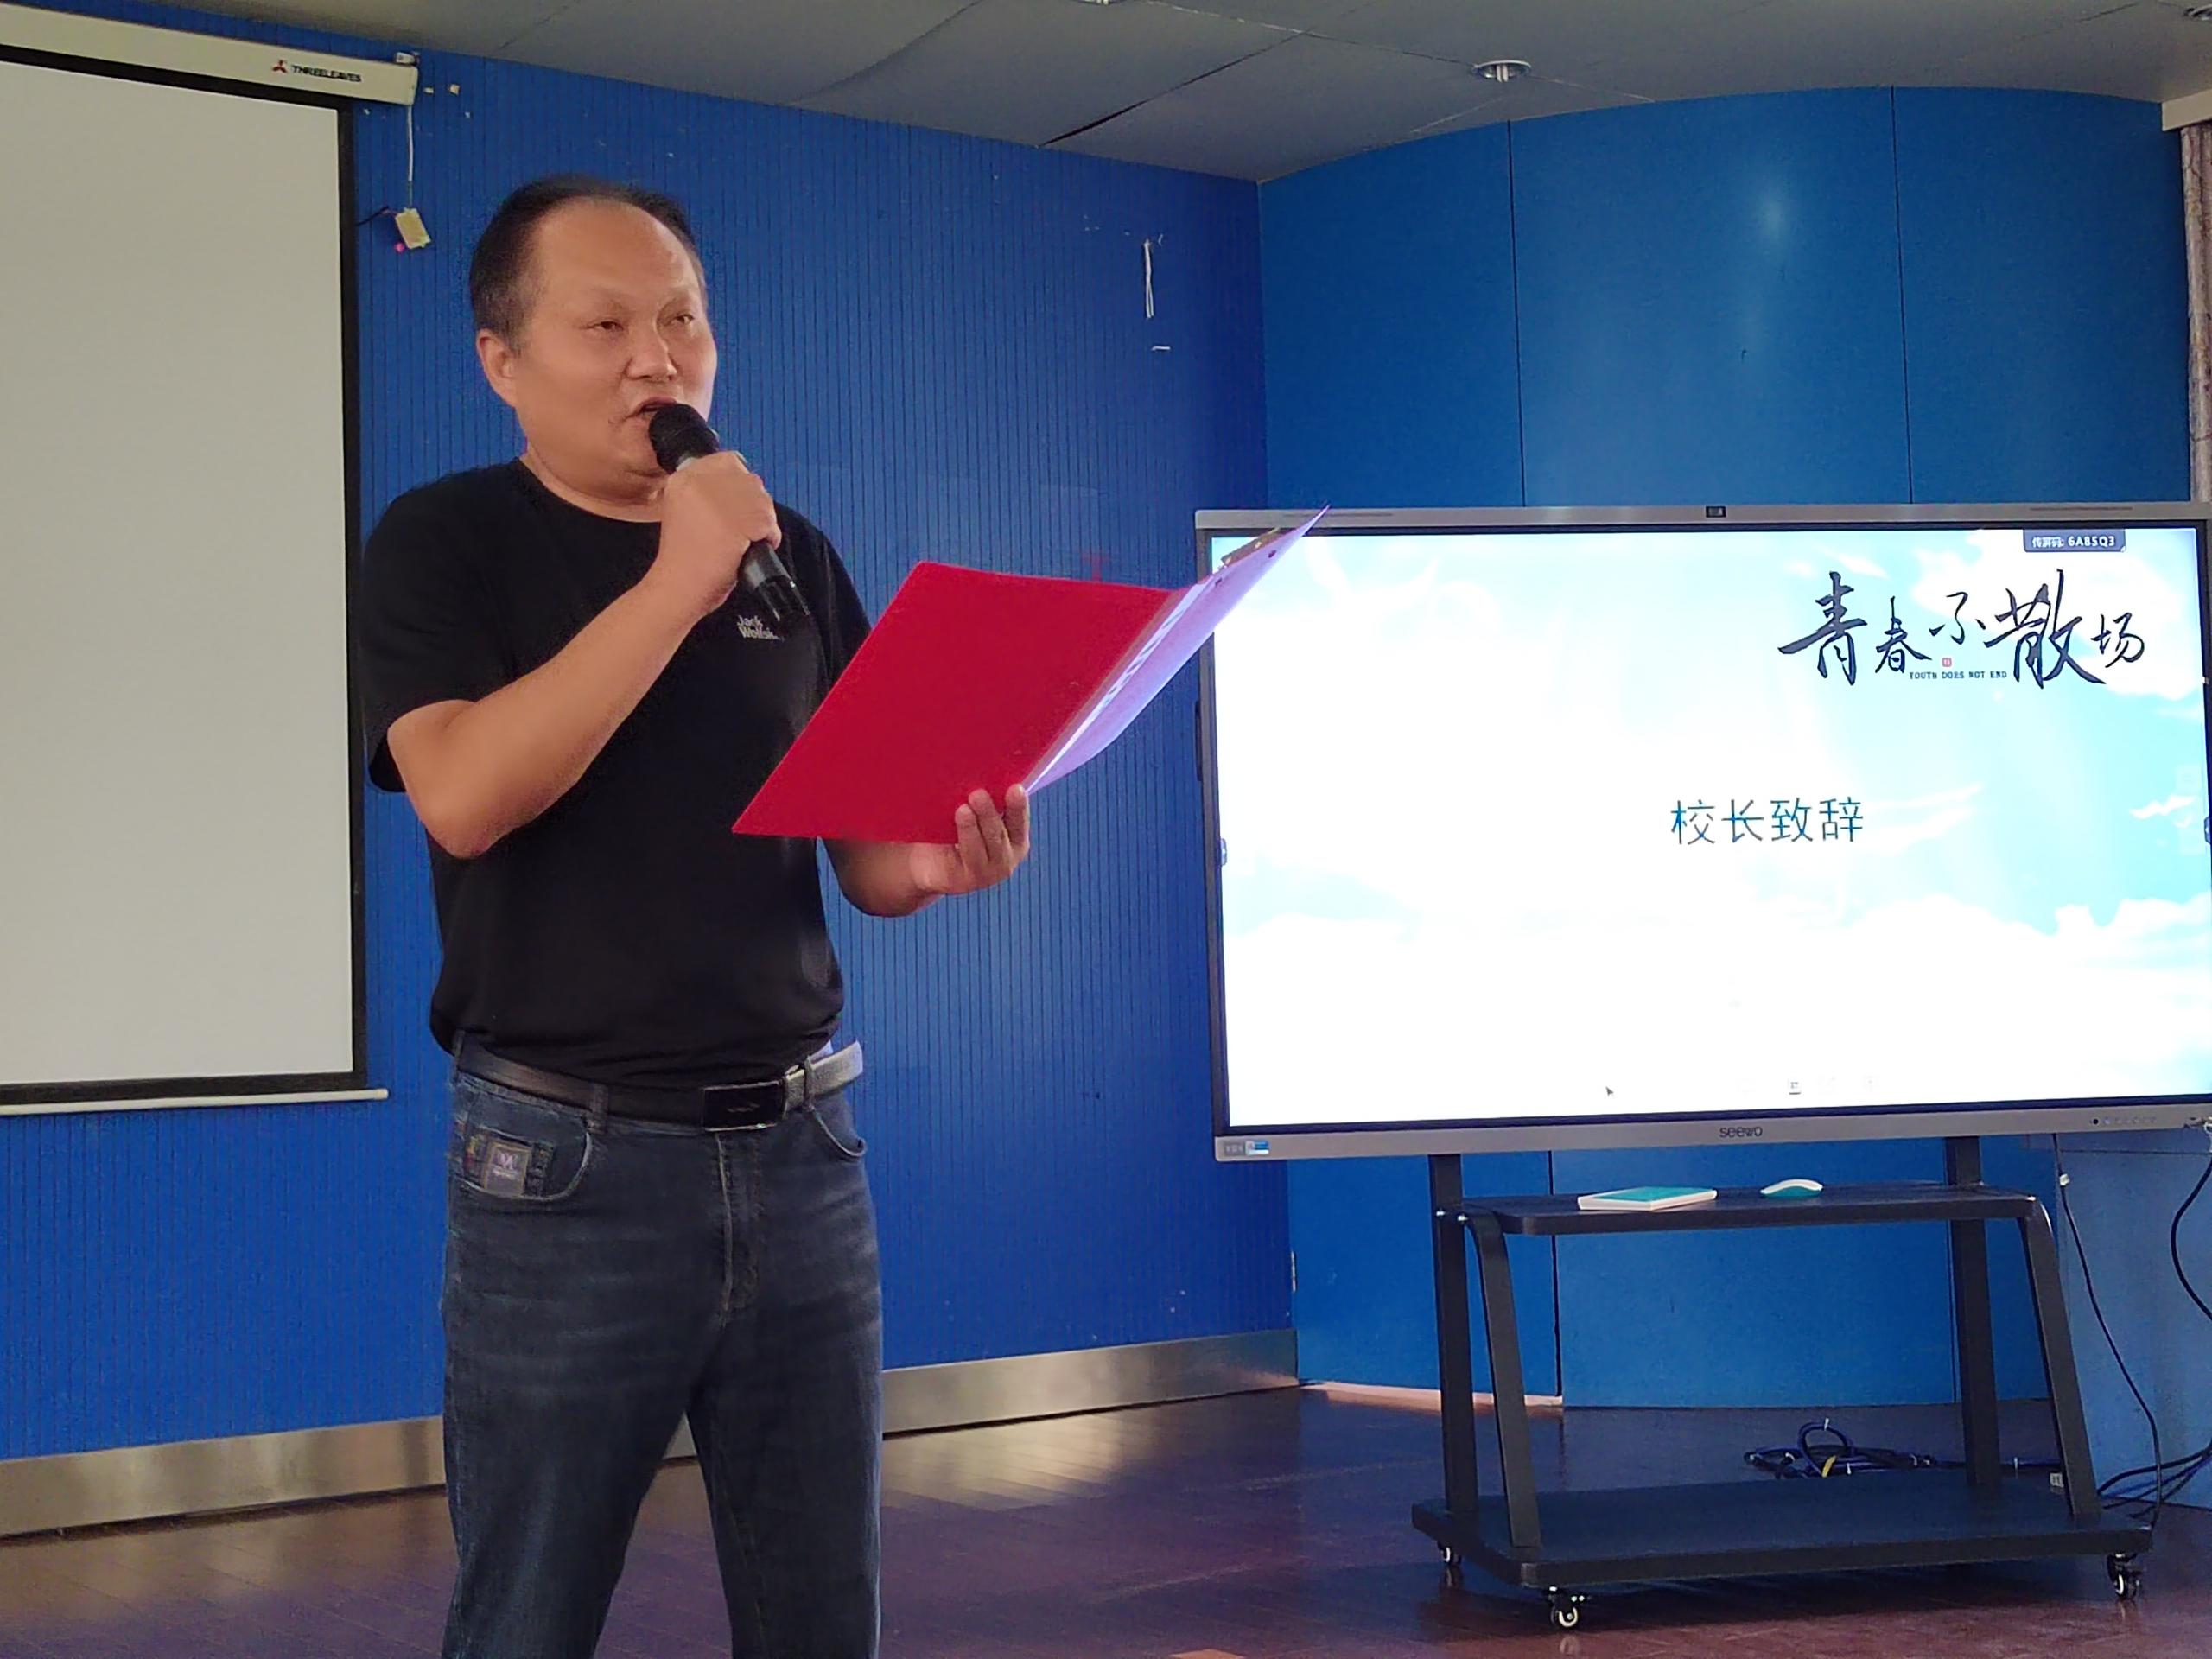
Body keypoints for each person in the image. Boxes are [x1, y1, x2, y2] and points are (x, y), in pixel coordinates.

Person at [353, 175, 1032, 1659]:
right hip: (567, 1161)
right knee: (529, 1613)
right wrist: (678, 580)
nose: (657, 359)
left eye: (682, 321)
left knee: (822, 1613)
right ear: (502, 359)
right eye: (605, 325)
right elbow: (462, 796)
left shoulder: (793, 554)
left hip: (804, 1150)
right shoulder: (444, 540)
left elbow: (870, 862)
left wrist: (944, 862)